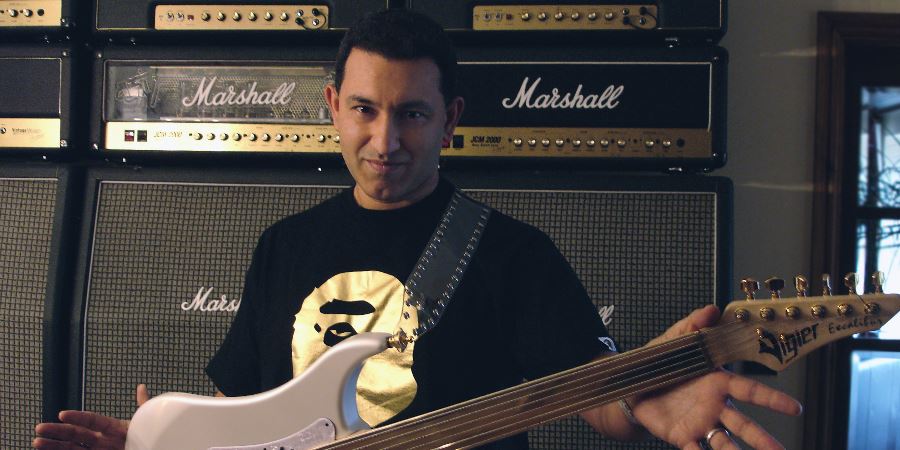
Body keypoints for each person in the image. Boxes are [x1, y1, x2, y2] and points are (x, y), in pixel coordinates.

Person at [34, 9, 801, 450]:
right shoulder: (283, 247)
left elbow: (592, 399)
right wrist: (157, 442)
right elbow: (243, 418)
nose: (385, 140)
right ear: (333, 105)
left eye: (412, 114)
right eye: (365, 109)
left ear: (451, 122)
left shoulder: (512, 255)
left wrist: (642, 396)